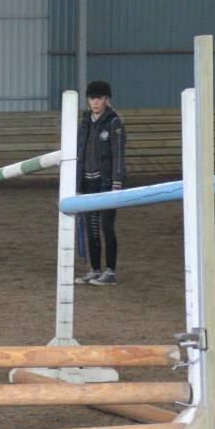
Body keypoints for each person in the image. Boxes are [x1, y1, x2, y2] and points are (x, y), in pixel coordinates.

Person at [74, 80, 126, 286]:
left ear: (106, 100)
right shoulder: (85, 123)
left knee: (106, 226)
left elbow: (118, 155)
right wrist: (77, 183)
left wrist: (117, 182)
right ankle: (95, 269)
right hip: (88, 182)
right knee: (91, 227)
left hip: (106, 182)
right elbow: (79, 152)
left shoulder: (114, 123)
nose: (96, 102)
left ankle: (110, 270)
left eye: (100, 98)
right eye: (92, 98)